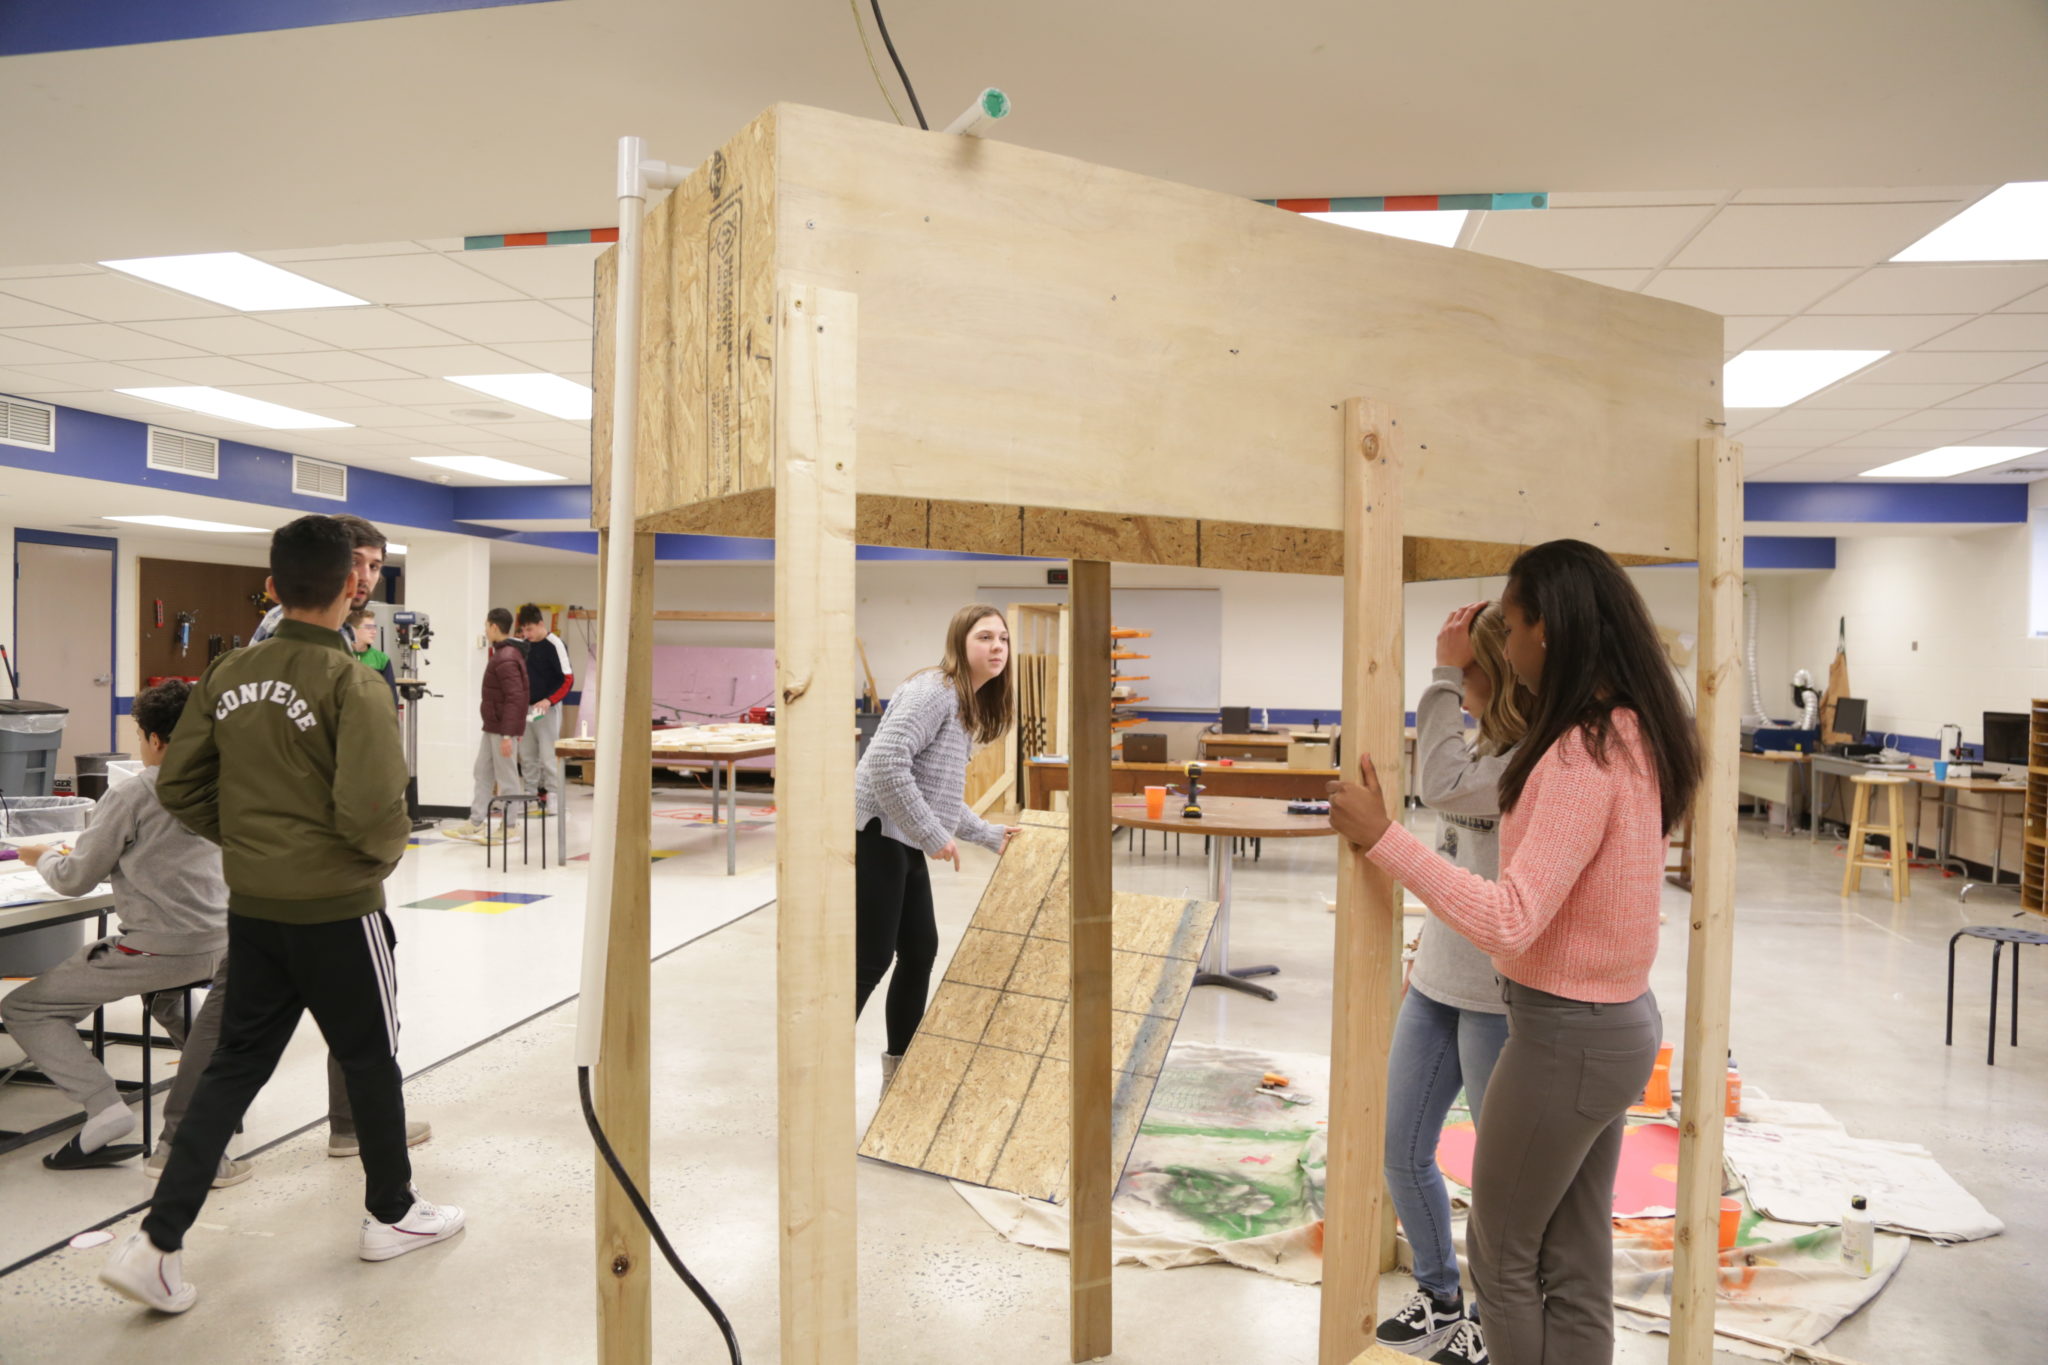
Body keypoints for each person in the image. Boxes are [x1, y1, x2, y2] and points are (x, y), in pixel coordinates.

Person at [1329, 540, 1700, 1365]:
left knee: (1500, 1257)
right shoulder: (1630, 727)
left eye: (1514, 616)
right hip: (1610, 1023)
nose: (1506, 633)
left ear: (1549, 628)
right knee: (1571, 1258)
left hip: (1567, 1034)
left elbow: (1510, 918)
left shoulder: (1577, 751)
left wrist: (1384, 838)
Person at [100, 515, 464, 1315]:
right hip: (337, 909)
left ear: (272, 586)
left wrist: (258, 844)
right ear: (349, 588)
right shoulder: (354, 682)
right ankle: (394, 1214)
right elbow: (374, 810)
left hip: (255, 908)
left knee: (234, 1065)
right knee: (370, 1059)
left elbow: (181, 786)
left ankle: (157, 1243)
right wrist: (358, 865)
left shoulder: (228, 675)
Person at [1374, 603, 1530, 1356]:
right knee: (1402, 1148)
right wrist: (1418, 957)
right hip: (1438, 982)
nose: (1452, 689)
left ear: (1488, 675)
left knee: (1498, 1189)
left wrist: (1436, 666)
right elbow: (1449, 855)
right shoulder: (1488, 743)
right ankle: (1440, 1297)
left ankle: (1492, 1325)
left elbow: (1434, 784)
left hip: (1496, 1001)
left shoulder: (1526, 759)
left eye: (1460, 675)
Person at [4, 681, 230, 1174]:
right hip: (222, 942)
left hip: (160, 948)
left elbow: (74, 880)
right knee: (169, 998)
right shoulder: (224, 781)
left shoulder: (134, 791)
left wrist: (41, 857)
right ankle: (214, 1099)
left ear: (154, 739)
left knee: (24, 1007)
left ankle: (103, 1107)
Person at [852, 605, 1022, 1091]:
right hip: (876, 831)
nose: (996, 647)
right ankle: (815, 1065)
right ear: (960, 643)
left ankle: (900, 1076)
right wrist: (932, 835)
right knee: (871, 958)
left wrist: (988, 834)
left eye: (1003, 640)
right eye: (984, 637)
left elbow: (938, 795)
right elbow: (884, 763)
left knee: (920, 948)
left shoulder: (965, 702)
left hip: (900, 833)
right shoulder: (936, 691)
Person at [440, 608, 527, 843]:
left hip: (502, 729)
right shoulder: (502, 654)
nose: (485, 630)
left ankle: (510, 827)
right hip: (492, 726)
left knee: (507, 778)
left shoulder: (506, 657)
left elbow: (515, 697)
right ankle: (476, 822)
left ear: (494, 627)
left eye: (486, 625)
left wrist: (508, 734)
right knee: (482, 772)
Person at [251, 512, 385, 646]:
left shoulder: (341, 630)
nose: (365, 577)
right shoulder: (292, 623)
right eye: (354, 562)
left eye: (374, 566)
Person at [513, 603, 573, 818]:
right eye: (523, 630)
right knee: (527, 755)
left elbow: (567, 679)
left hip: (547, 709)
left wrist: (549, 700)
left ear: (541, 624)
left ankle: (555, 798)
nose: (526, 634)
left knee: (549, 755)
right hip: (526, 708)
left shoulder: (555, 644)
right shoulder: (524, 645)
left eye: (530, 629)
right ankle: (529, 796)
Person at [348, 607, 399, 706]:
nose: (374, 631)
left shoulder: (382, 660)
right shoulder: (342, 656)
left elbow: (391, 698)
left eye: (374, 627)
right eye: (368, 627)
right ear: (353, 629)